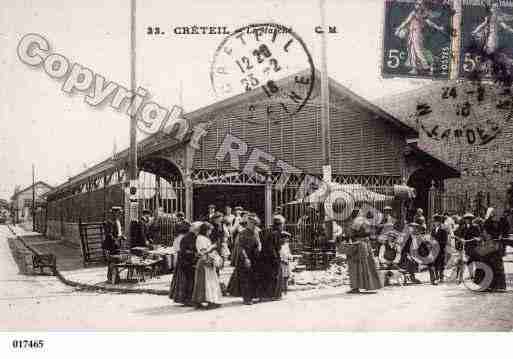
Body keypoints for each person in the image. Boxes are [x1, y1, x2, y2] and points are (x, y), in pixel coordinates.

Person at [228, 214, 261, 304]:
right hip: (244, 258)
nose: (253, 225)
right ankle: (247, 299)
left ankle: (253, 296)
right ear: (248, 223)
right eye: (251, 223)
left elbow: (258, 243)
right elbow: (240, 247)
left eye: (255, 223)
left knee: (253, 277)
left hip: (254, 257)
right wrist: (246, 258)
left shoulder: (256, 232)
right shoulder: (242, 233)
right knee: (245, 279)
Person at [344, 215, 382, 294]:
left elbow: (351, 235)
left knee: (356, 267)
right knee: (367, 265)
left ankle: (356, 287)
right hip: (366, 244)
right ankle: (370, 285)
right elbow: (369, 234)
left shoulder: (355, 223)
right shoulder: (365, 222)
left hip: (358, 245)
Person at [191, 222, 223, 309]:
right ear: (205, 230)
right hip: (204, 261)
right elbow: (202, 251)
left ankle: (205, 301)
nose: (210, 232)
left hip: (207, 260)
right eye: (209, 230)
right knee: (206, 282)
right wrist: (212, 247)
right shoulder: (200, 238)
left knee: (207, 282)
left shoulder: (204, 238)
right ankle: (209, 301)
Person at [169, 221, 201, 306]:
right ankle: (188, 299)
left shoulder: (190, 237)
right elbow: (184, 251)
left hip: (186, 261)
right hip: (187, 262)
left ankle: (188, 299)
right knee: (189, 281)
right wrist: (194, 253)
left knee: (187, 281)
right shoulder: (189, 238)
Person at [258, 215, 285, 301]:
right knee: (275, 275)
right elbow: (276, 246)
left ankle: (267, 295)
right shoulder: (276, 233)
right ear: (280, 224)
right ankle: (275, 295)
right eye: (282, 224)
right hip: (273, 256)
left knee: (267, 276)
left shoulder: (267, 230)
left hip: (265, 257)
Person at [480, 207, 506, 291]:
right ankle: (488, 285)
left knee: (497, 266)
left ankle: (499, 286)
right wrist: (489, 238)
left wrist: (501, 235)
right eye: (492, 213)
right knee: (489, 265)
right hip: (489, 245)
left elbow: (503, 231)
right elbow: (484, 232)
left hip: (496, 246)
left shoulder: (499, 222)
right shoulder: (487, 222)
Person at [430, 214, 449, 284]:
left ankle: (441, 277)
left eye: (436, 221)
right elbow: (431, 239)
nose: (434, 223)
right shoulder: (433, 230)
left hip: (441, 249)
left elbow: (445, 241)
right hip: (434, 249)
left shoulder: (443, 230)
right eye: (434, 222)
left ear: (439, 222)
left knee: (441, 263)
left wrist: (437, 243)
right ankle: (436, 276)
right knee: (435, 263)